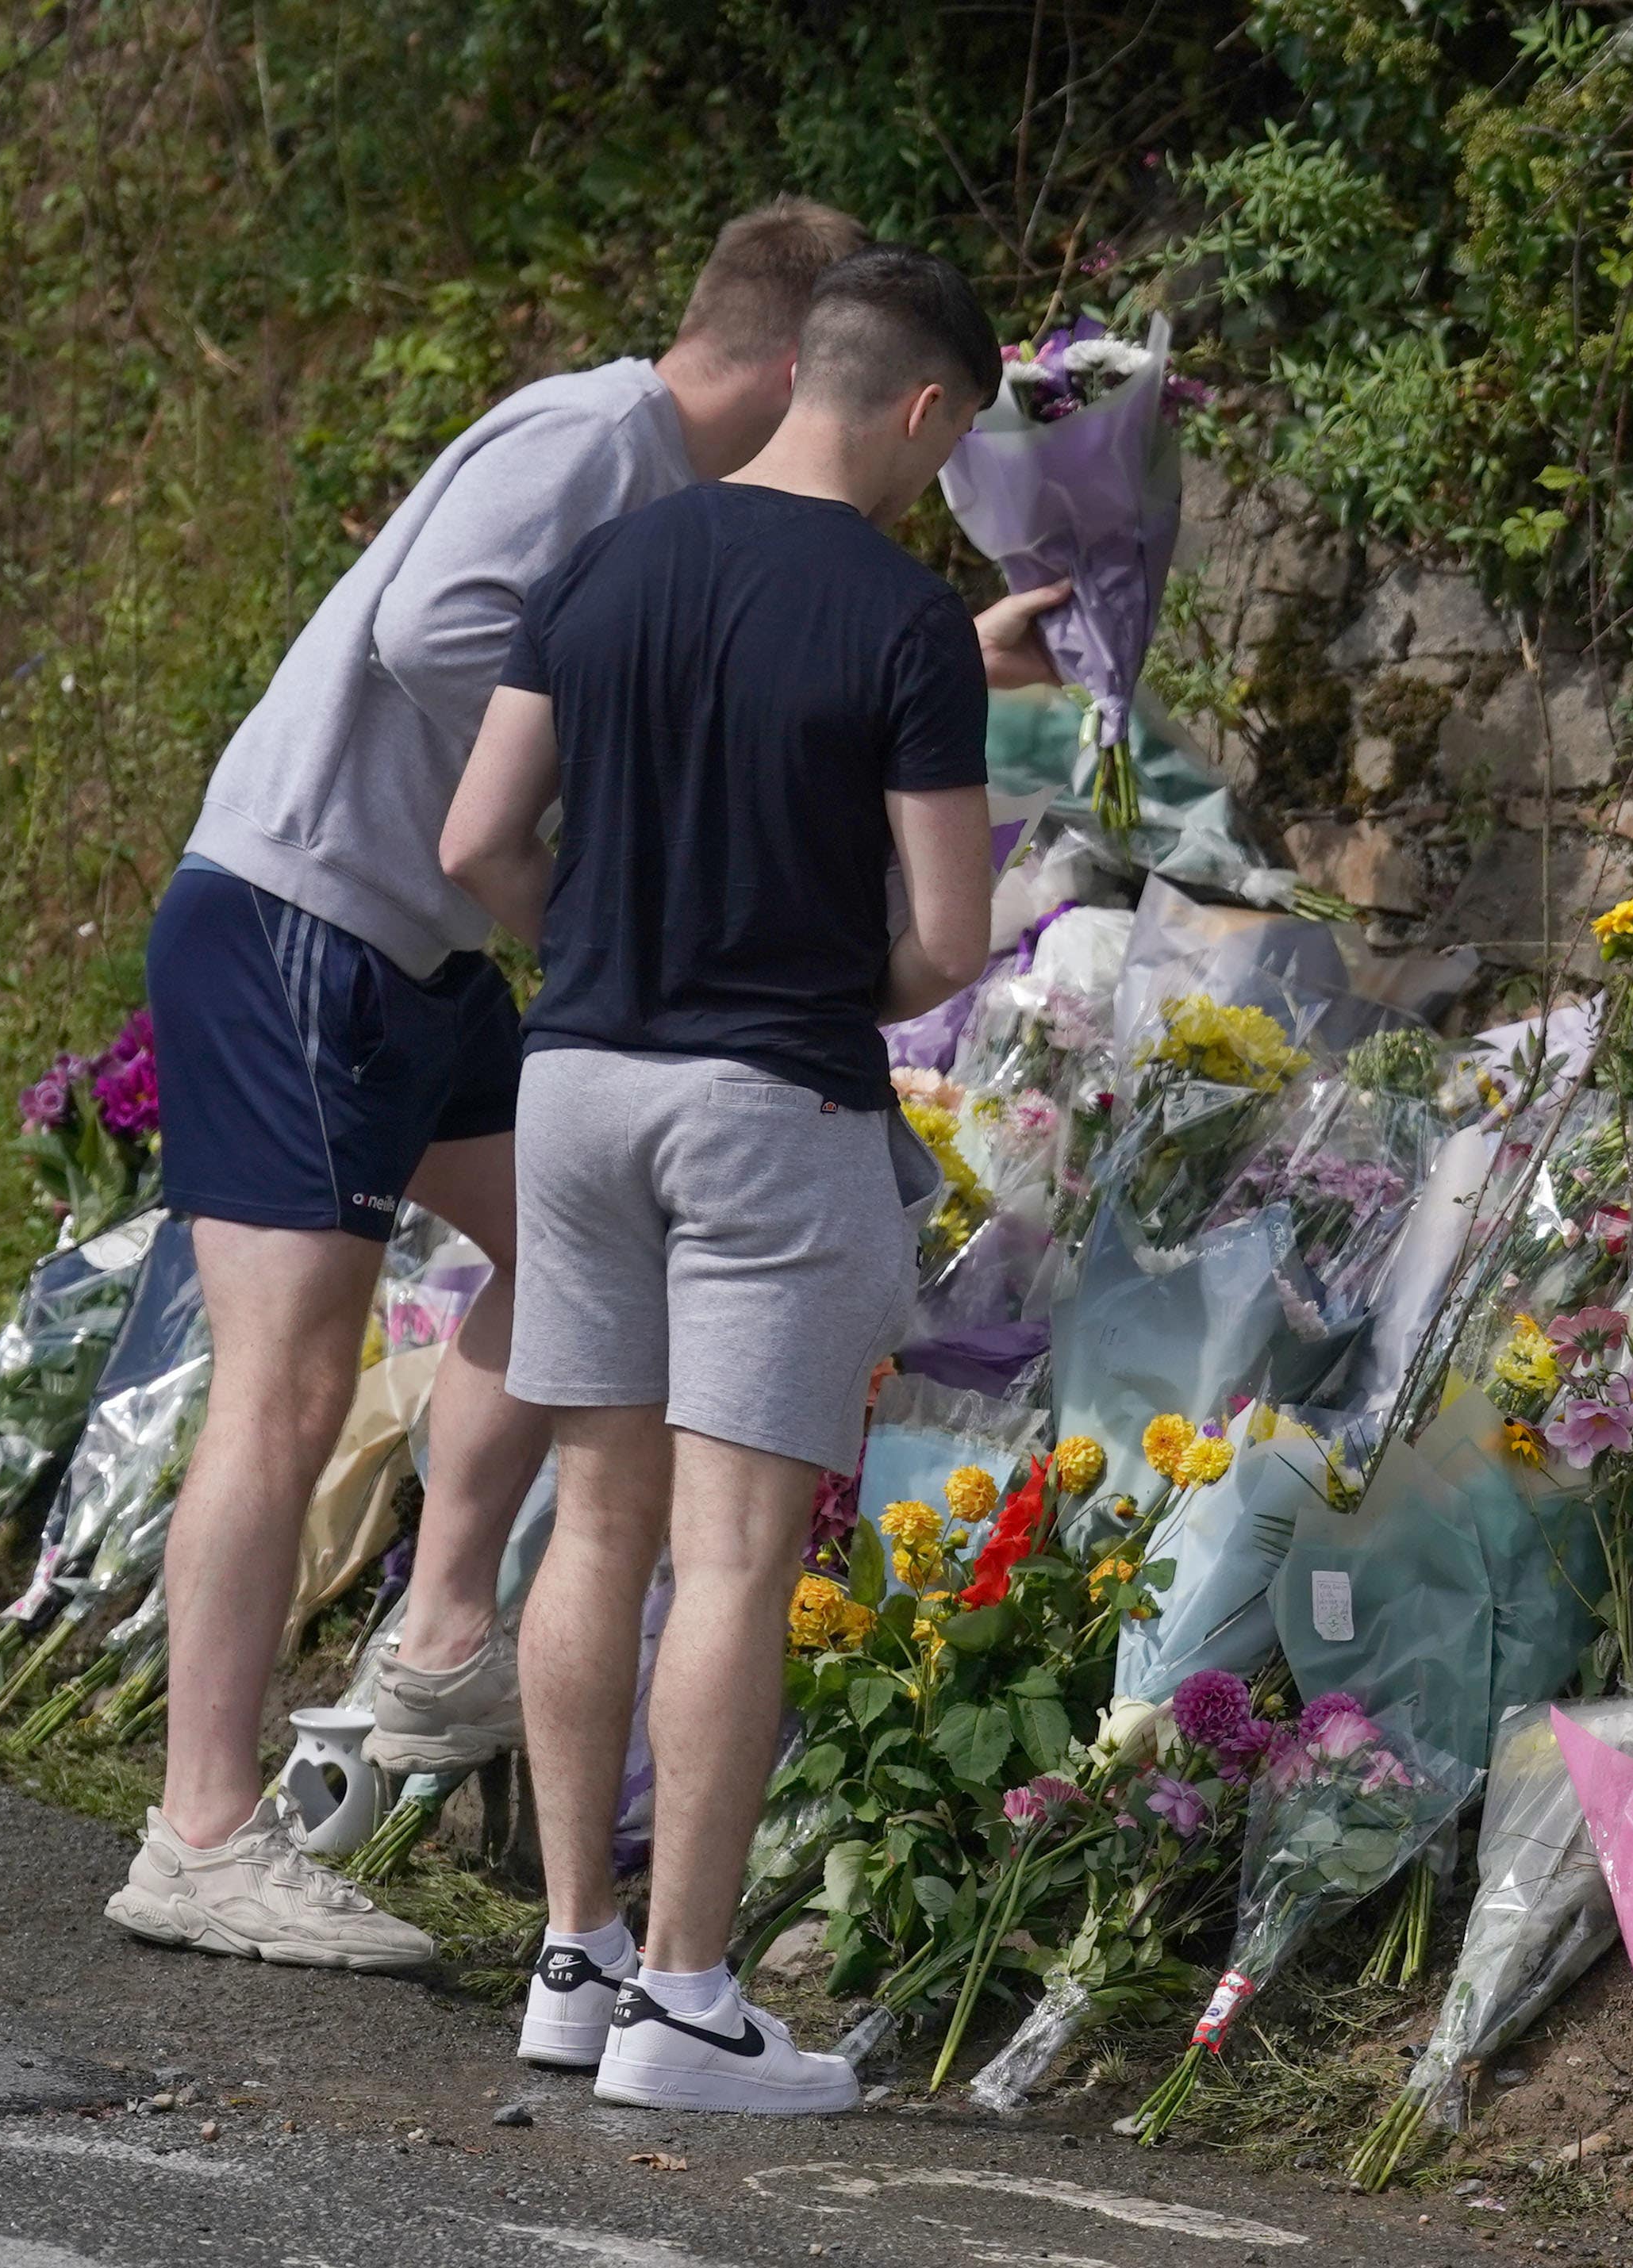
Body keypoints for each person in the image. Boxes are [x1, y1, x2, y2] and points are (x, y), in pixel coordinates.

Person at [109, 198, 1062, 1973]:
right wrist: (609, 808)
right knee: (293, 1371)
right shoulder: (587, 438)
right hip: (312, 908)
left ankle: (448, 1632)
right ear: (815, 363)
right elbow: (430, 630)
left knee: (556, 1272)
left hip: (451, 947)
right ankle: (203, 1825)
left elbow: (686, 664)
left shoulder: (677, 521)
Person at [440, 244, 1007, 2110]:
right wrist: (811, 973)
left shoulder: (610, 556)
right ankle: (689, 1998)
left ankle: (572, 1961)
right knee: (739, 1555)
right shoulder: (907, 620)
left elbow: (476, 838)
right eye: (952, 446)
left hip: (579, 1079)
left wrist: (604, 943)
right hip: (770, 1103)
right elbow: (943, 934)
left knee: (593, 1523)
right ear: (921, 409)